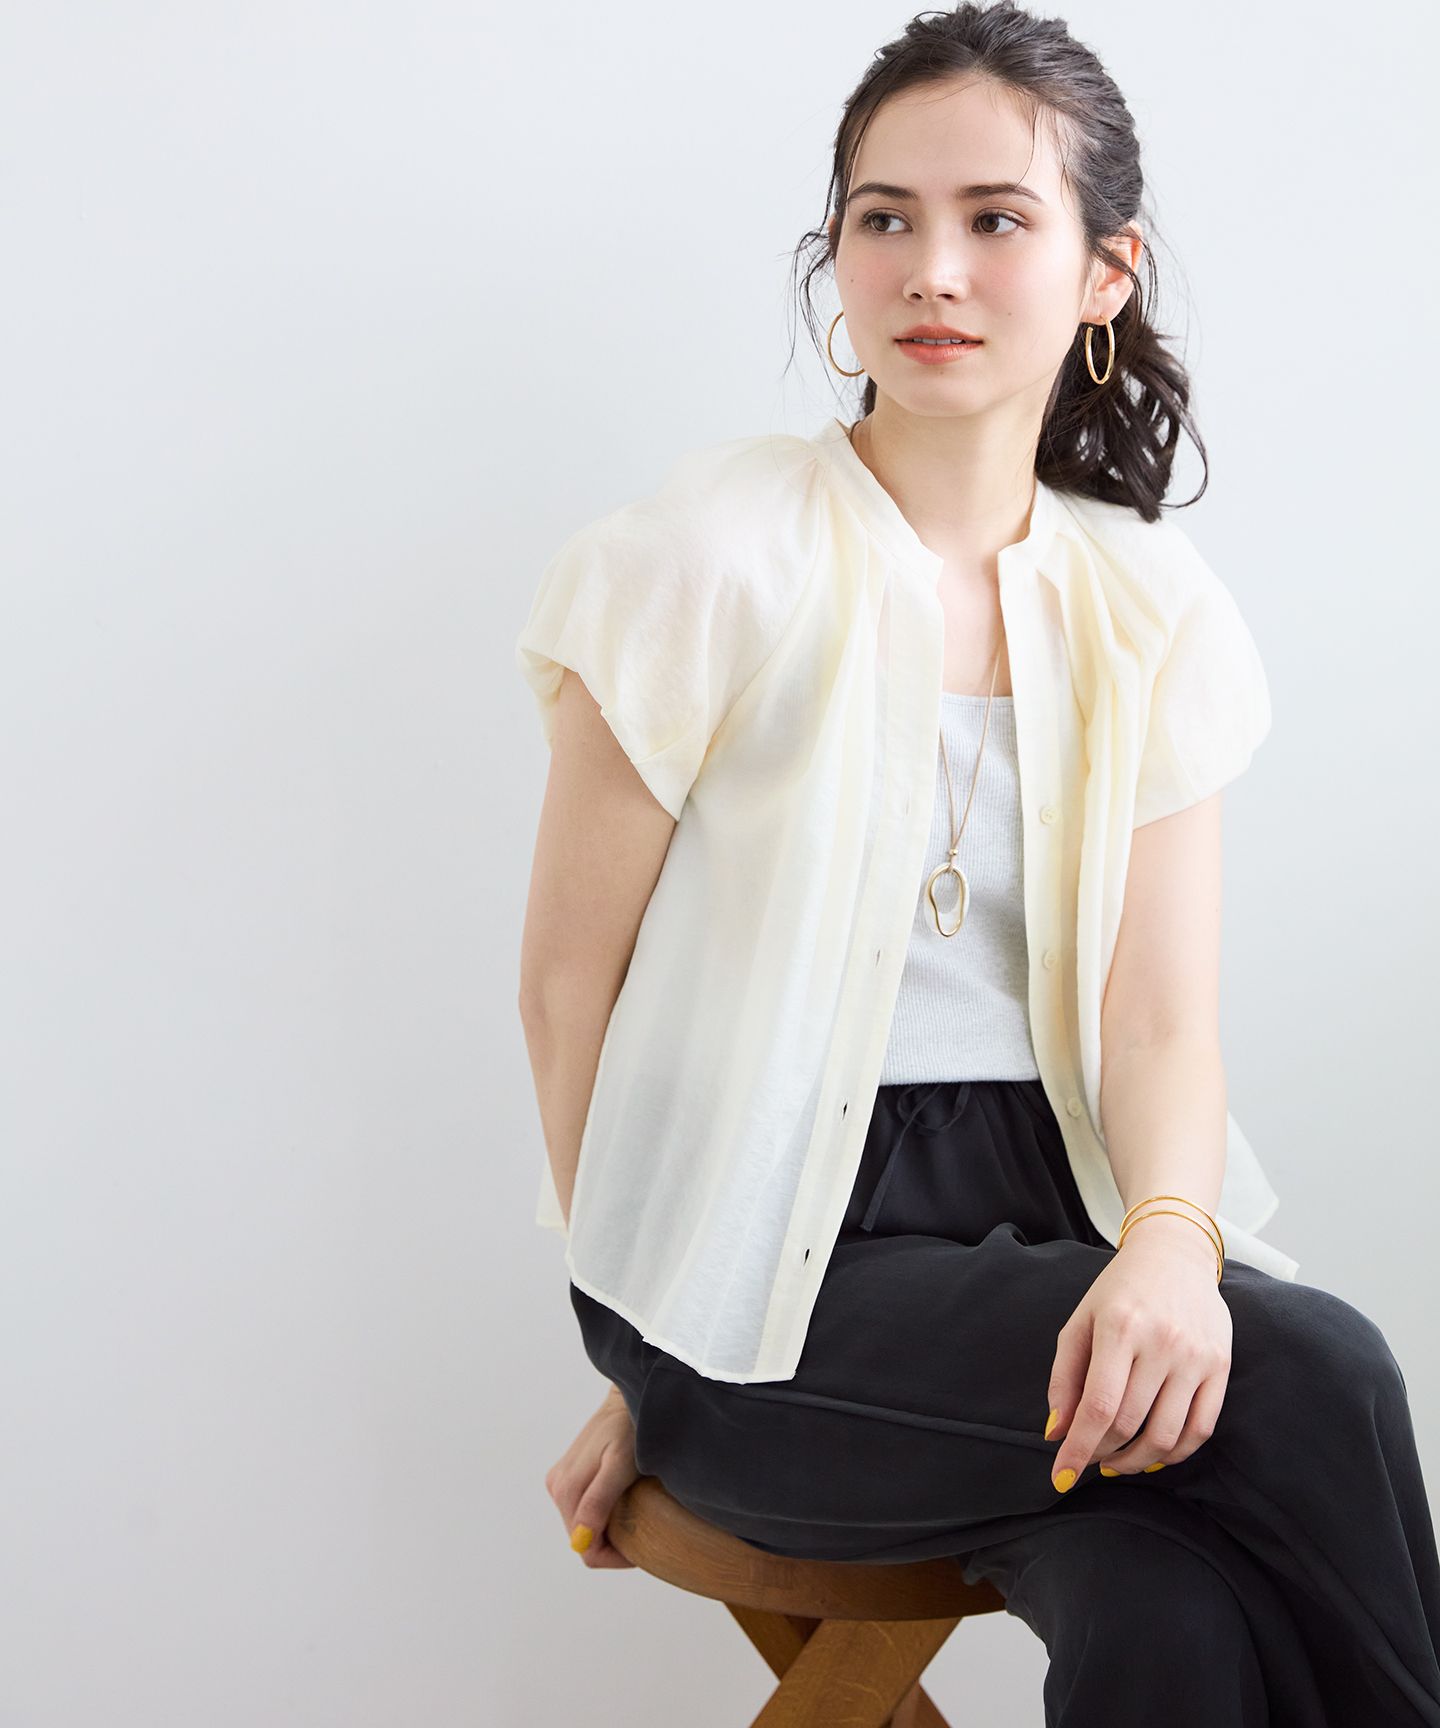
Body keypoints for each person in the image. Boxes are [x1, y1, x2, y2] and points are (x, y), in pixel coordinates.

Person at [517, 5, 1440, 1722]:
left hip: (1065, 1221)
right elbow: (570, 991)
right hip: (769, 1294)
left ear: (1105, 273)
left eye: (997, 218)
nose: (931, 267)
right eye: (886, 217)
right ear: (838, 254)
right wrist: (651, 1316)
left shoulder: (1150, 605)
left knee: (1175, 1610)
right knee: (1318, 1374)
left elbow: (1159, 1023)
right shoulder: (703, 560)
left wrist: (1171, 1245)